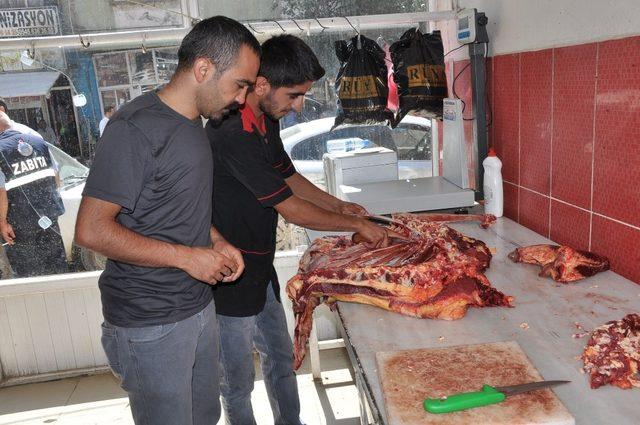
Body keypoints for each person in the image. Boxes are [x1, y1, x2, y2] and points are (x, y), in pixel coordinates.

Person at [74, 16, 260, 425]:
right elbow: (91, 230)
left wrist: (214, 242)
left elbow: (175, 206)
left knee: (205, 417)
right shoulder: (134, 128)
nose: (243, 99)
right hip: (149, 321)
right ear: (204, 69)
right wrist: (187, 258)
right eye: (241, 84)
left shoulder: (193, 125)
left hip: (196, 306)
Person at [206, 34, 400, 425]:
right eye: (293, 96)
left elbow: (287, 175)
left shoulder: (264, 120)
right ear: (262, 86)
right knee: (237, 382)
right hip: (227, 277)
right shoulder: (232, 133)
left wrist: (337, 204)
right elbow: (291, 209)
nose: (297, 107)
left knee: (280, 360)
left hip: (259, 269)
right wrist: (355, 224)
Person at [0, 112, 68, 277]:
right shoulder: (38, 142)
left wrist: (2, 223)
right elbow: (56, 177)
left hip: (19, 225)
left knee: (29, 274)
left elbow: (1, 192)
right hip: (49, 218)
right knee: (56, 267)